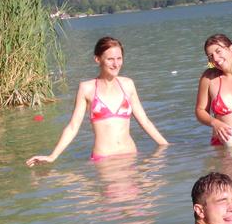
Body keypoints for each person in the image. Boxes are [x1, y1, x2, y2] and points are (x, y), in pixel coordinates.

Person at [26, 37, 168, 166]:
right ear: (97, 59)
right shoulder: (86, 88)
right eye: (110, 59)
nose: (116, 64)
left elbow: (145, 122)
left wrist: (166, 146)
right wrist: (52, 156)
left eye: (119, 58)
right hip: (104, 160)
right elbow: (73, 127)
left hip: (131, 156)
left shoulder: (127, 84)